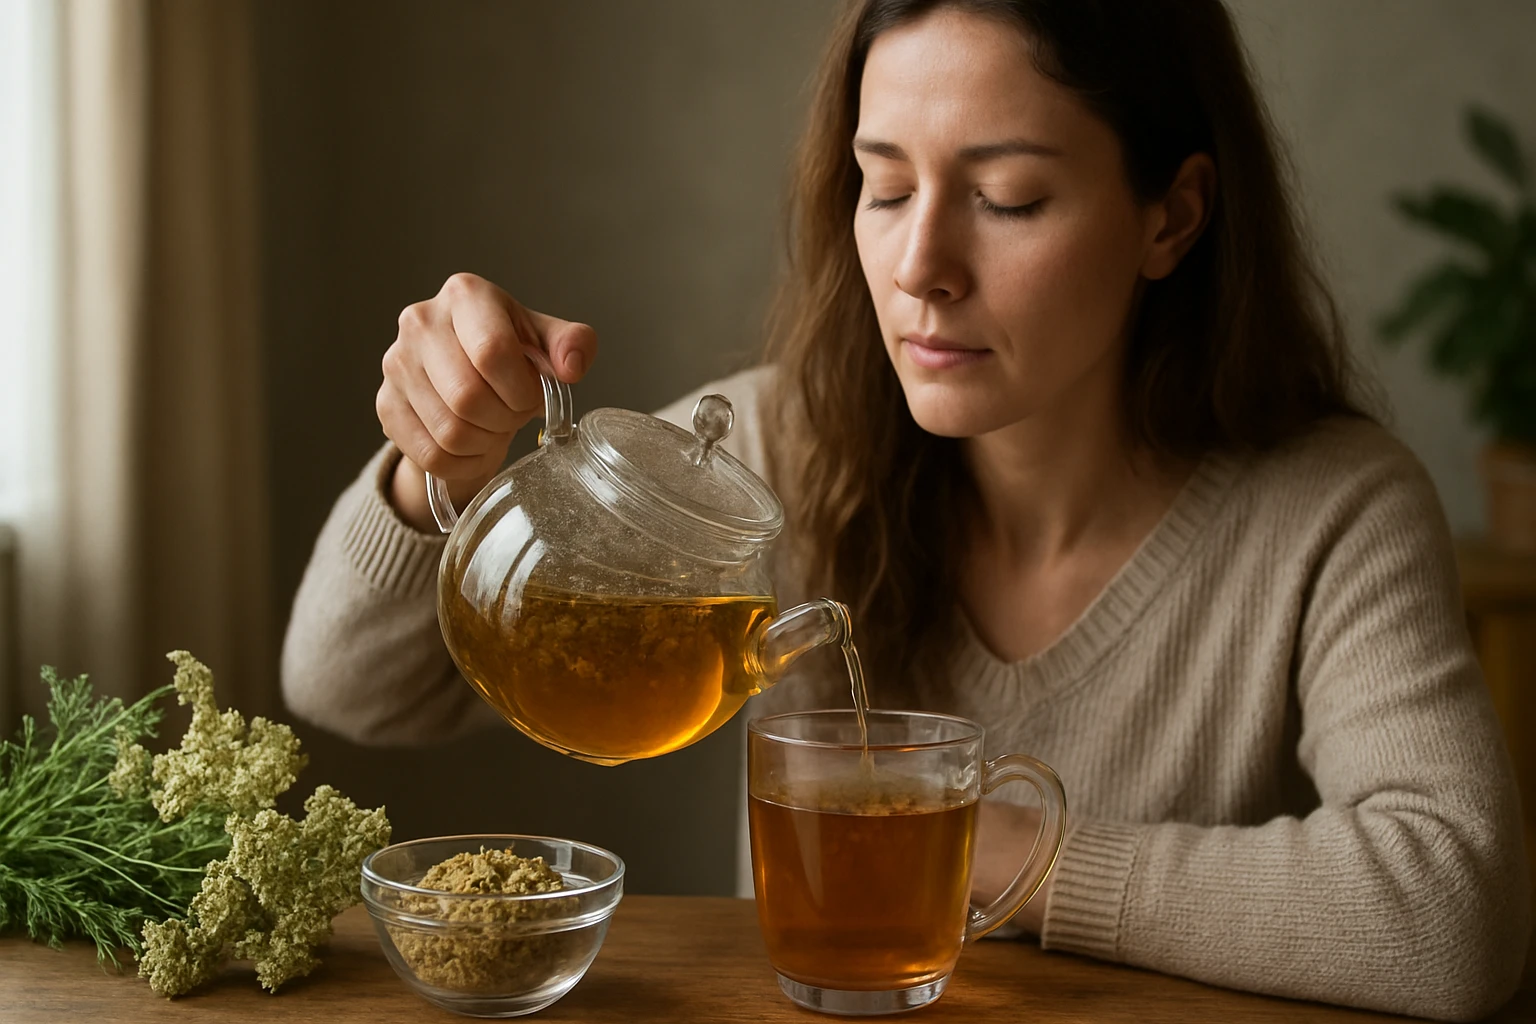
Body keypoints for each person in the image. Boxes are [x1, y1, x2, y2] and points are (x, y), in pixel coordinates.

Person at [280, 0, 1529, 1018]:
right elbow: (346, 684)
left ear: (1173, 214)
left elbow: (1451, 915)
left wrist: (983, 849)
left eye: (1009, 198)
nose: (921, 267)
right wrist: (435, 462)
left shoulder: (1332, 512)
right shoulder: (767, 453)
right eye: (885, 189)